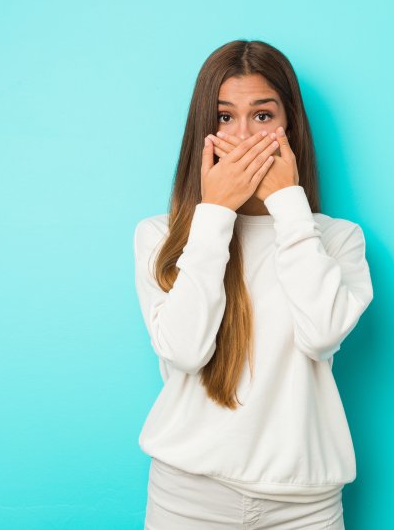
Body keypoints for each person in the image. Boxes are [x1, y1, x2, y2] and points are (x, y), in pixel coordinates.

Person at [134, 39, 374, 529]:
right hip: (187, 498)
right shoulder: (160, 235)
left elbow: (322, 333)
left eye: (262, 116)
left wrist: (290, 205)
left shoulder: (336, 239)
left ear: (289, 127)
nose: (243, 136)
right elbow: (184, 351)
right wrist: (215, 213)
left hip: (305, 506)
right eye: (224, 118)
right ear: (203, 127)